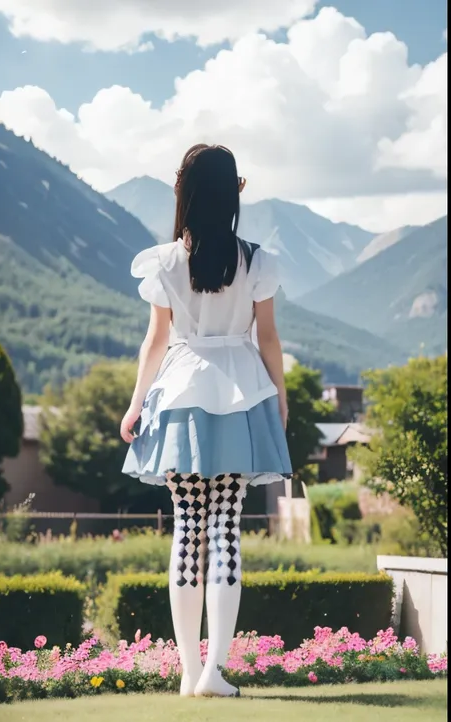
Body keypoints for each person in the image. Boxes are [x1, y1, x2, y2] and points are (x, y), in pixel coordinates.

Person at [120, 143, 292, 698]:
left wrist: (134, 403)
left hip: (178, 394)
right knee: (225, 531)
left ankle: (190, 673)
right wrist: (281, 400)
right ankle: (213, 672)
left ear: (184, 194)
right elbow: (267, 338)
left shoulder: (167, 262)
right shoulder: (257, 261)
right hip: (243, 392)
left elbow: (156, 341)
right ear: (234, 191)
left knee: (188, 529)